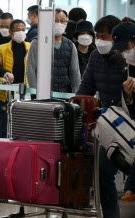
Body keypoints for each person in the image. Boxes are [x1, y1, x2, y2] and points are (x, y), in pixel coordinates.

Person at [76, 15, 129, 218]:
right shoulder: (96, 57)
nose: (99, 41)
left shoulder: (127, 58)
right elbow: (85, 87)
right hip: (108, 126)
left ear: (115, 37)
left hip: (130, 125)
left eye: (104, 36)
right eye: (97, 36)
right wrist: (77, 105)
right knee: (103, 176)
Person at [26, 8, 81, 93]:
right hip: (42, 94)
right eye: (55, 20)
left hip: (64, 94)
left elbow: (75, 73)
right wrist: (34, 92)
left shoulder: (70, 45)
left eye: (62, 21)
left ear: (66, 23)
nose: (58, 23)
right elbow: (30, 70)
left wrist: (75, 96)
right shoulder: (37, 43)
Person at [111, 22, 135, 203]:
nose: (125, 53)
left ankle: (130, 188)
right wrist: (129, 98)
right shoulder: (129, 67)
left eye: (125, 47)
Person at [0, 19, 30, 138]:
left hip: (26, 93)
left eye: (23, 30)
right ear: (10, 32)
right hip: (6, 93)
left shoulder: (30, 48)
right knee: (3, 125)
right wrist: (3, 81)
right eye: (17, 30)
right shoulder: (2, 49)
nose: (21, 32)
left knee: (24, 125)